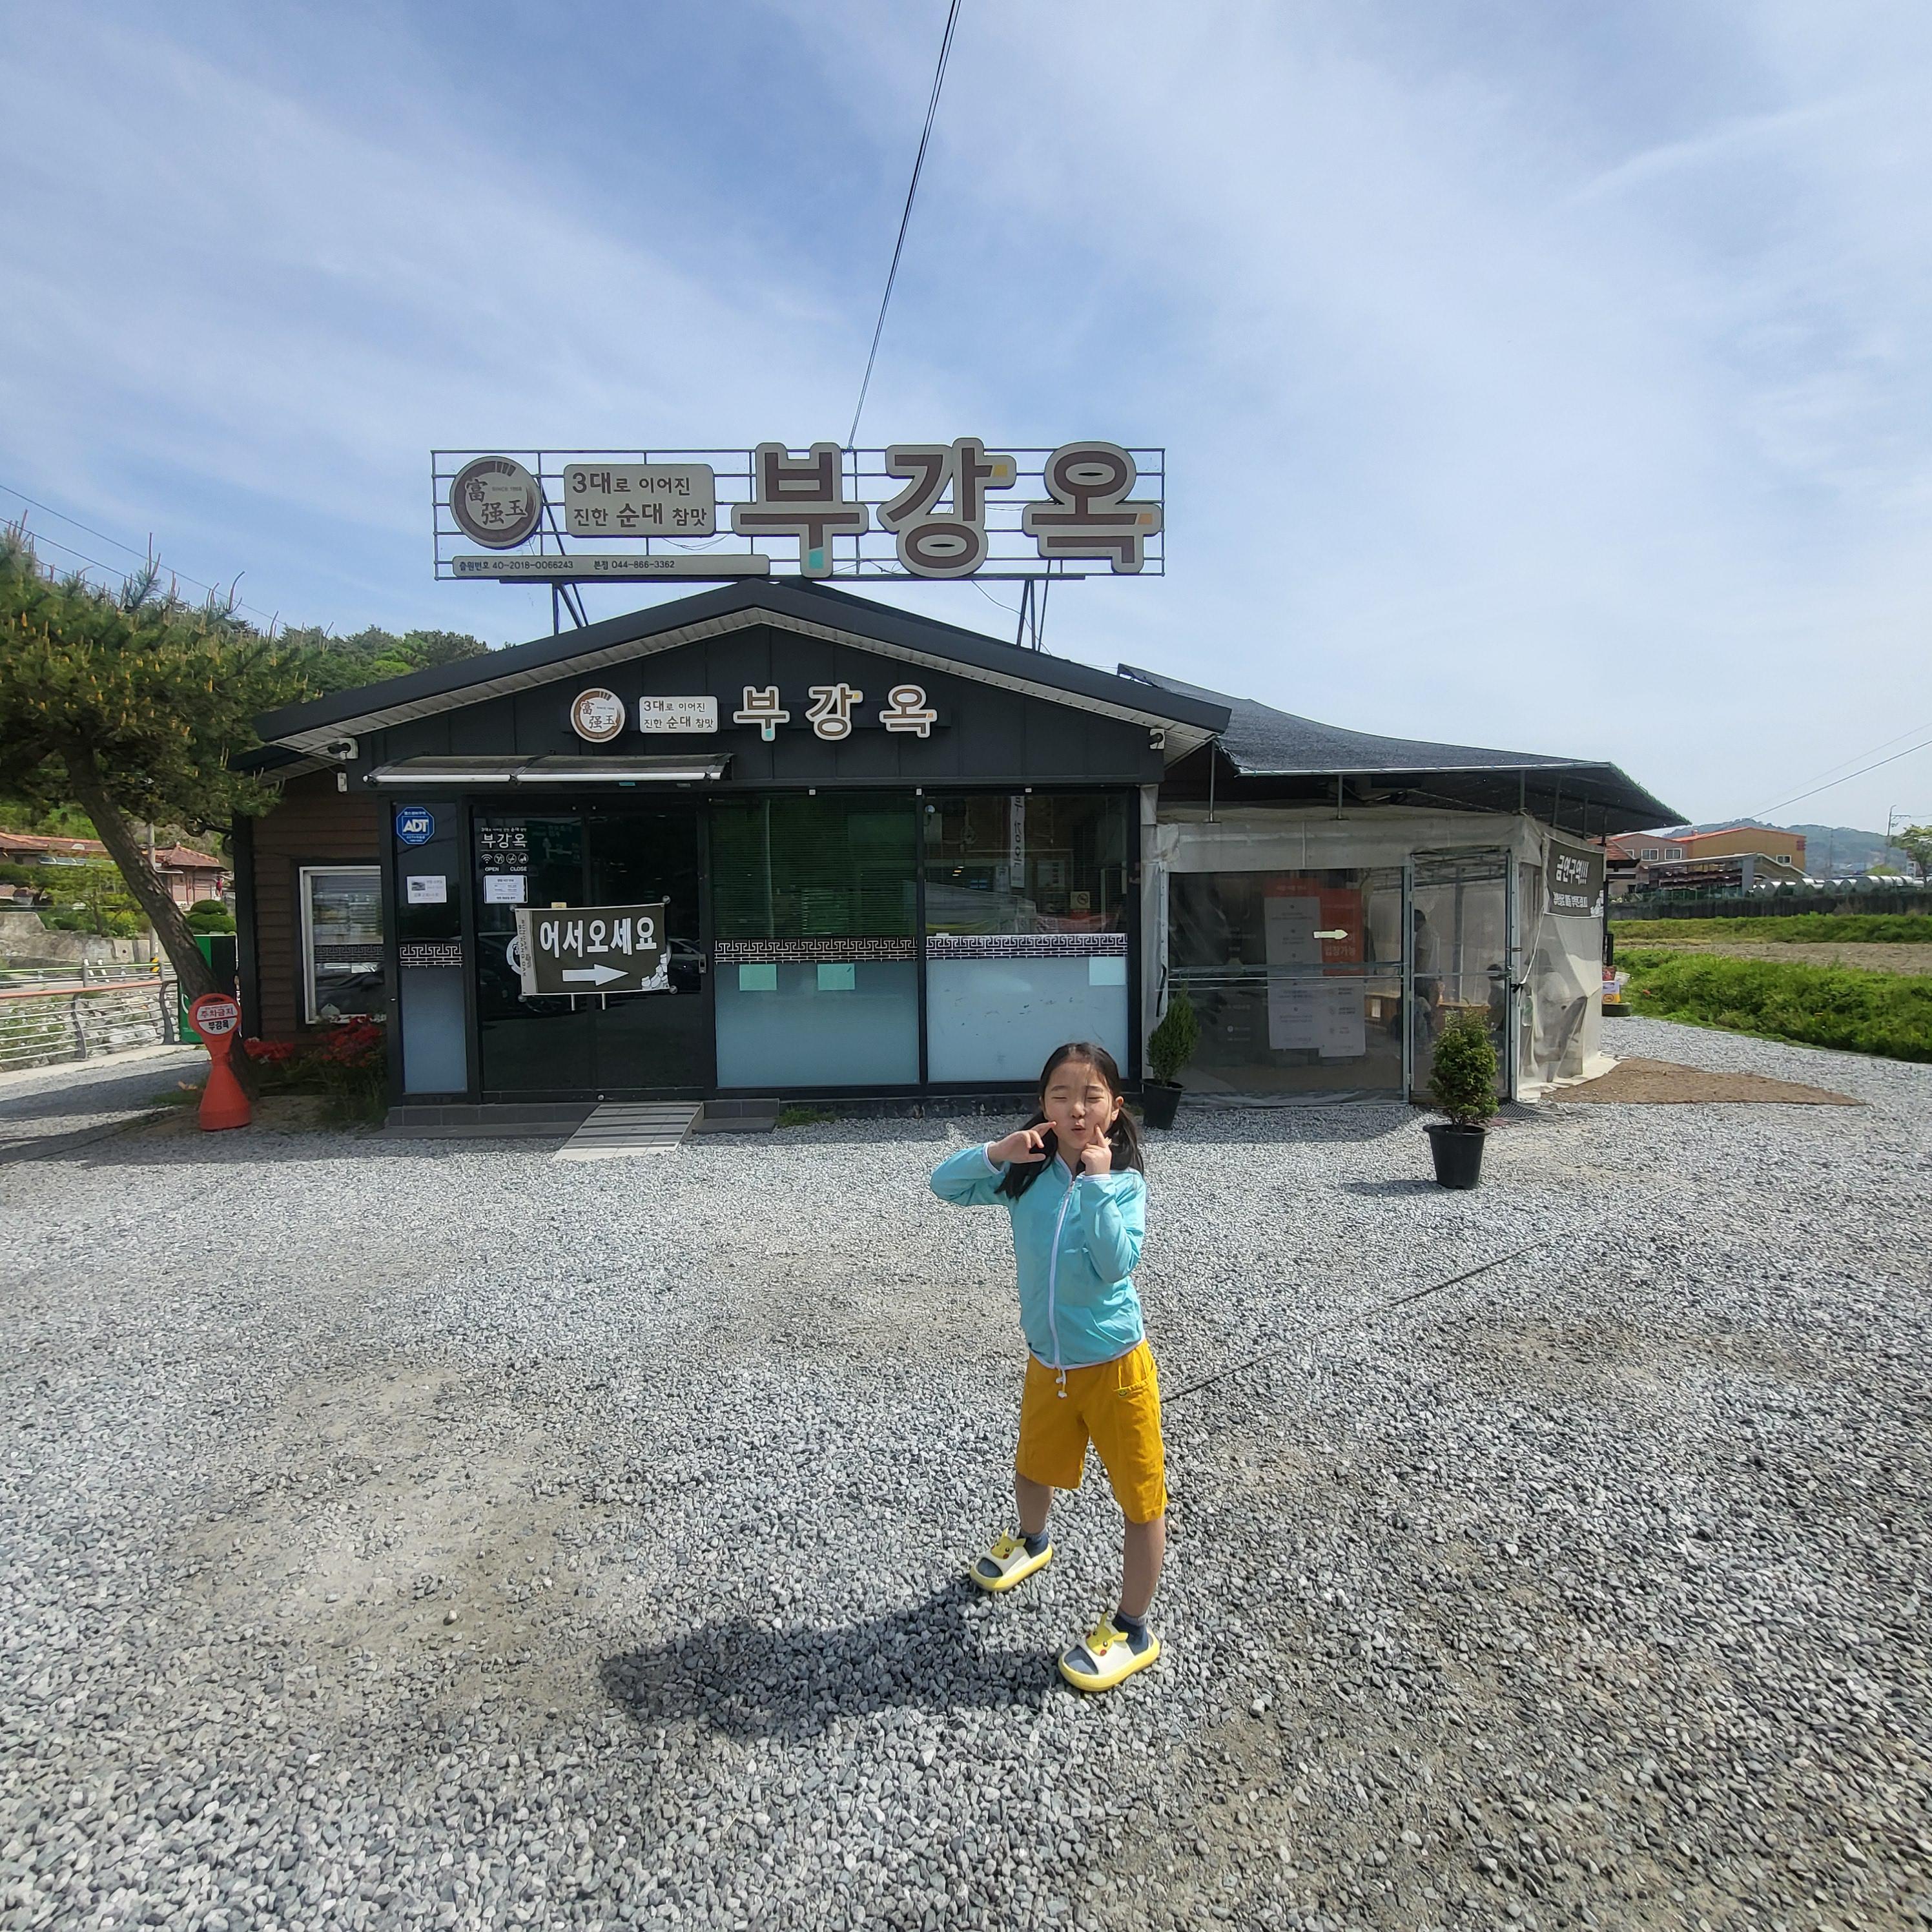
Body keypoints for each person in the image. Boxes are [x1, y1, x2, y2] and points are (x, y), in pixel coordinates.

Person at [929, 1042, 1167, 1693]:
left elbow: (1118, 1264)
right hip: (1049, 1362)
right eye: (1060, 1094)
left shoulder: (1123, 1183)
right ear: (1044, 1106)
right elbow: (941, 1184)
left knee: (1140, 1499)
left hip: (1116, 1365)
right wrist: (996, 1152)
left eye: (1091, 1095)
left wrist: (1094, 1184)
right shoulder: (1026, 1175)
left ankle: (1132, 1625)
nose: (1075, 1107)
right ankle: (1032, 1542)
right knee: (1033, 1465)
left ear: (1114, 1110)